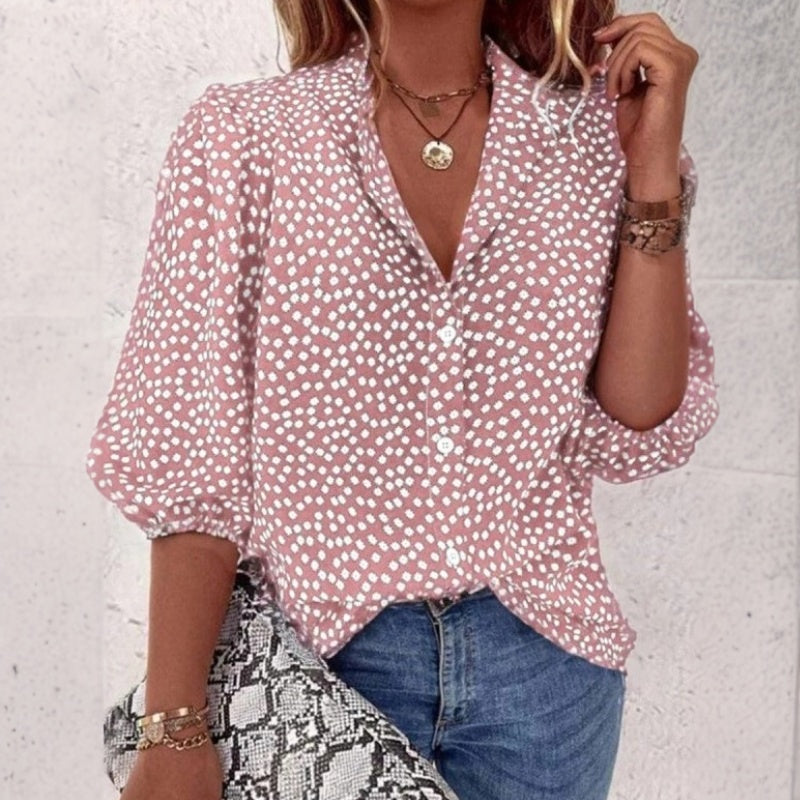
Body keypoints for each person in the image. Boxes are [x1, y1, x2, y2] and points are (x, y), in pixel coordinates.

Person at [85, 0, 719, 798]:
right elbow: (193, 455)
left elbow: (638, 412)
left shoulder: (588, 136)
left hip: (548, 679)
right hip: (323, 677)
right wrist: (174, 726)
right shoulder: (245, 137)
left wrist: (652, 167)